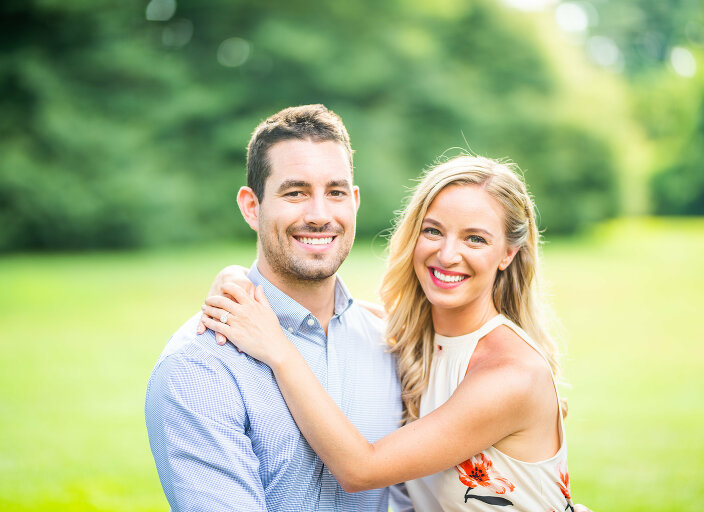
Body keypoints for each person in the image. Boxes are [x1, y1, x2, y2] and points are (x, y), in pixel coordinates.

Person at [200, 154, 581, 511]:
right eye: (433, 231)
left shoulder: (510, 374)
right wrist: (237, 280)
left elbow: (360, 471)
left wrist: (278, 350)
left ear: (508, 254)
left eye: (475, 239)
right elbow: (328, 310)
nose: (447, 255)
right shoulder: (416, 338)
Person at [145, 104, 411, 511]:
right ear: (252, 207)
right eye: (296, 192)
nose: (320, 215)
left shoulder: (390, 344)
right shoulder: (199, 365)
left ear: (354, 202)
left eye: (335, 192)